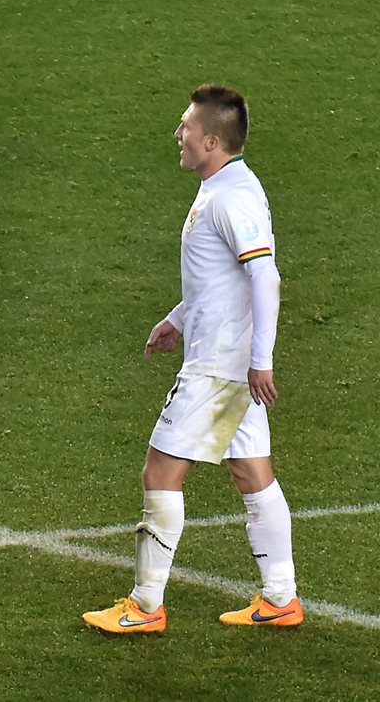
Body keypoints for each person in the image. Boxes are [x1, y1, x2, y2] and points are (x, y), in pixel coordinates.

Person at [82, 84, 301, 633]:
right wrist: (177, 319)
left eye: (184, 128)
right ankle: (280, 599)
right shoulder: (221, 186)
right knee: (252, 473)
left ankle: (145, 607)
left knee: (160, 470)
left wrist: (260, 360)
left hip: (220, 366)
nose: (177, 135)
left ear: (210, 140)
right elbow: (222, 275)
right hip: (224, 358)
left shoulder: (231, 197)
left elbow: (265, 275)